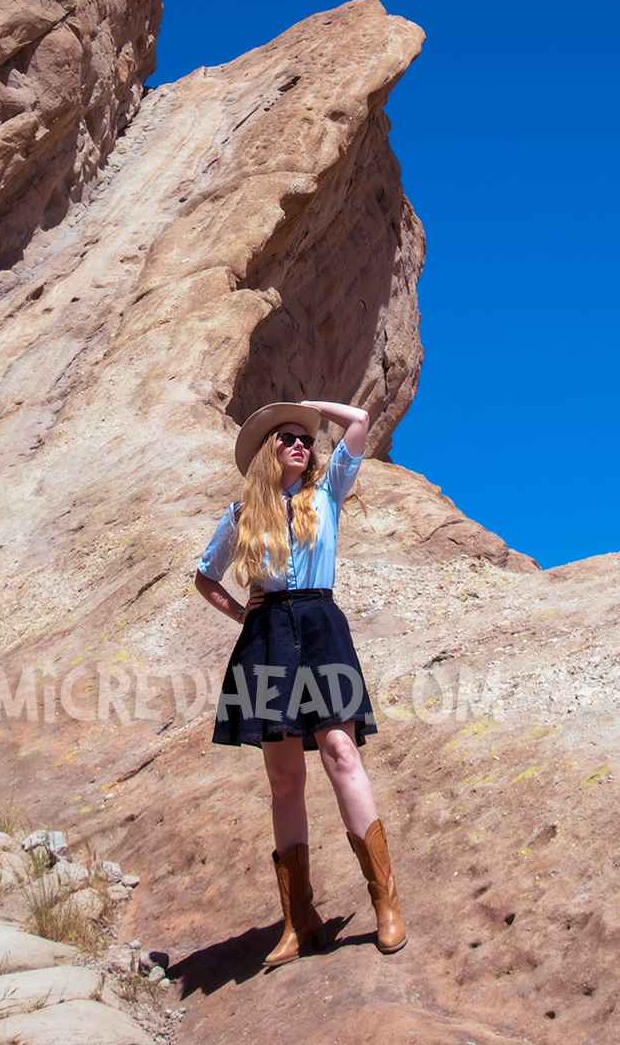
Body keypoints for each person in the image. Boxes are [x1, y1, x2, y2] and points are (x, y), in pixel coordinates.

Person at [194, 398, 406, 967]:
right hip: (264, 639)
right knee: (283, 778)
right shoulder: (241, 515)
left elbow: (359, 423)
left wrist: (308, 407)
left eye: (304, 437)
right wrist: (242, 612)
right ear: (268, 450)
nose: (299, 443)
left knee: (340, 751)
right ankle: (298, 917)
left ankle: (385, 902)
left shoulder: (327, 492)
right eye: (287, 436)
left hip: (320, 626)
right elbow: (204, 576)